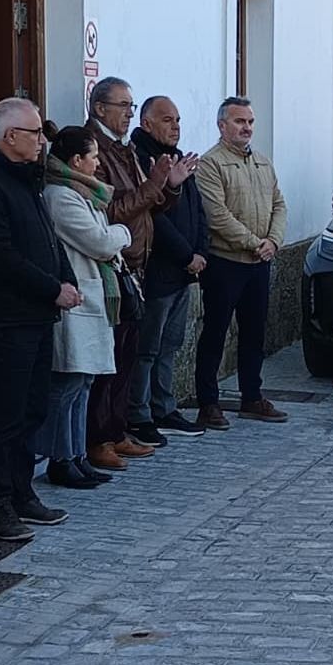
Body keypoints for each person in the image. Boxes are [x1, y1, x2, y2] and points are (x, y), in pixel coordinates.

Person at [0, 98, 79, 542]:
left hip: (36, 315)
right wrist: (50, 287)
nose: (43, 141)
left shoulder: (25, 178)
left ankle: (23, 492)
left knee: (32, 407)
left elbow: (47, 237)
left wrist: (65, 277)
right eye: (35, 133)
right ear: (9, 137)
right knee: (4, 415)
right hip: (6, 319)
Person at [84, 77, 191, 463]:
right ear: (99, 108)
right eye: (124, 106)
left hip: (134, 266)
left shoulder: (125, 149)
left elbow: (146, 206)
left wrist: (171, 186)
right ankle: (99, 439)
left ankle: (118, 429)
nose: (129, 113)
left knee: (126, 356)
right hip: (110, 267)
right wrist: (155, 186)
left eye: (131, 106)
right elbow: (109, 211)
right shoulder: (90, 149)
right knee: (109, 360)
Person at [40, 125, 133, 480]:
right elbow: (99, 242)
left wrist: (113, 236)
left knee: (84, 383)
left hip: (93, 297)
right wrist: (123, 233)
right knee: (67, 385)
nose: (98, 164)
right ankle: (60, 459)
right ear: (76, 160)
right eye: (93, 156)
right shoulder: (60, 196)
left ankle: (77, 454)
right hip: (76, 300)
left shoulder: (84, 192)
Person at [194, 96, 290, 428]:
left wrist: (274, 241)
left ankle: (252, 397)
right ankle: (208, 403)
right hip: (226, 263)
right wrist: (254, 243)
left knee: (254, 334)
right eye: (239, 121)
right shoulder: (210, 164)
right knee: (215, 333)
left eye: (249, 121)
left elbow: (279, 204)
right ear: (222, 126)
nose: (246, 127)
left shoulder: (263, 162)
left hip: (259, 263)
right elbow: (216, 215)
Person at [129, 95, 209, 440]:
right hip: (159, 271)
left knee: (170, 346)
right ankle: (140, 414)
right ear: (146, 123)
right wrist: (185, 255)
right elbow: (154, 221)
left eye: (177, 120)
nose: (175, 127)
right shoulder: (142, 160)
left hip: (184, 272)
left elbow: (198, 210)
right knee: (146, 348)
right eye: (167, 120)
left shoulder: (178, 159)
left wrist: (201, 250)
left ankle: (165, 408)